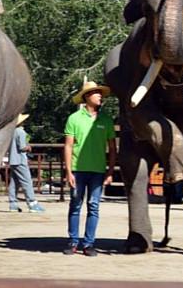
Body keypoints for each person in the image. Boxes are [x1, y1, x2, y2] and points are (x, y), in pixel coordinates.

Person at [63, 80, 117, 257]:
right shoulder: (74, 119)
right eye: (96, 93)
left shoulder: (106, 120)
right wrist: (69, 171)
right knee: (75, 205)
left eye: (100, 93)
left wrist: (110, 171)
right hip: (78, 170)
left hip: (98, 171)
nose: (100, 96)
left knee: (94, 206)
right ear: (86, 97)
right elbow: (68, 146)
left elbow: (112, 148)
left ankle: (89, 244)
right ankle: (72, 242)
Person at [7, 113, 45, 213]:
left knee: (14, 182)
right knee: (27, 181)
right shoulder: (21, 132)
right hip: (20, 160)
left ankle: (13, 204)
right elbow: (22, 147)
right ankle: (32, 203)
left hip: (12, 159)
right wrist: (29, 147)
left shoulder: (11, 132)